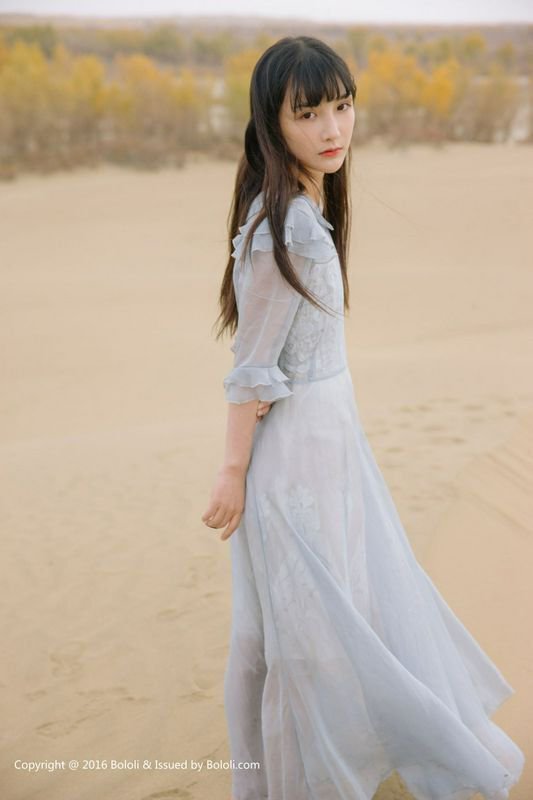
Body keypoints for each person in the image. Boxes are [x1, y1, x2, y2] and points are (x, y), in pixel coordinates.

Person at [200, 35, 524, 800]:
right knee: (288, 635)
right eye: (307, 113)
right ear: (272, 122)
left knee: (293, 628)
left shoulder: (297, 209)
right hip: (295, 459)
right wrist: (233, 470)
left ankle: (280, 778)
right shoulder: (286, 225)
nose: (331, 129)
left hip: (324, 444)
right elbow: (252, 367)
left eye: (341, 106)